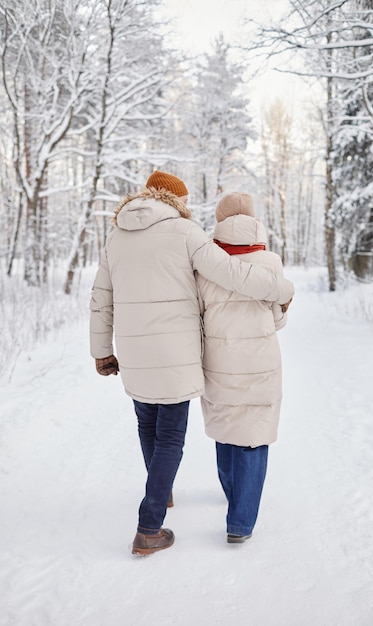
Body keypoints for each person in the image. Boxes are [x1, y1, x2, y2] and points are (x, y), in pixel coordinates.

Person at [90, 171, 294, 556]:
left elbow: (101, 298)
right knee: (170, 435)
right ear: (173, 200)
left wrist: (102, 350)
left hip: (133, 352)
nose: (186, 206)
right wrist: (283, 289)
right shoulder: (186, 232)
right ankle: (149, 526)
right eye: (183, 200)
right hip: (175, 351)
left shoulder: (115, 236)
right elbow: (232, 273)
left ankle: (161, 489)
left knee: (146, 422)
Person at [197, 192, 292, 544]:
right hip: (261, 362)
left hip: (218, 361)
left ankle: (232, 495)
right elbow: (277, 319)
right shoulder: (271, 262)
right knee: (254, 436)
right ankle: (241, 521)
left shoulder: (205, 262)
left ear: (219, 221)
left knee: (226, 429)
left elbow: (199, 313)